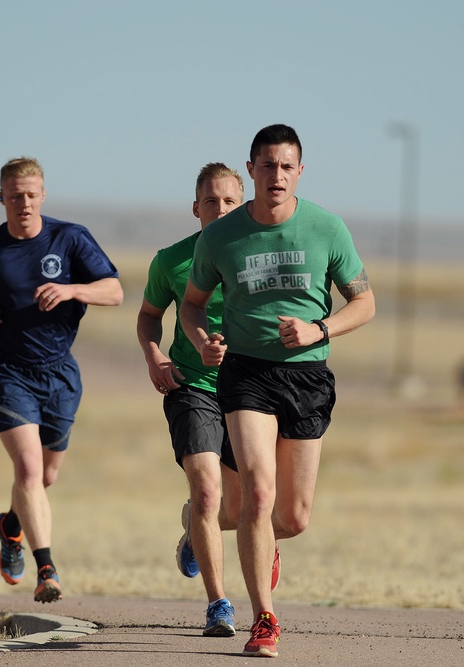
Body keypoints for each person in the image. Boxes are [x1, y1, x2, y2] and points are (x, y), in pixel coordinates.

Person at [180, 124, 375, 658]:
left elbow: (365, 303)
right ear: (252, 170)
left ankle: (201, 528)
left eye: (287, 166)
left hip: (308, 377)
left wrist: (320, 329)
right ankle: (264, 618)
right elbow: (192, 303)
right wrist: (203, 342)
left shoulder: (327, 229)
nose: (277, 175)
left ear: (300, 171)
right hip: (247, 375)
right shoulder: (220, 237)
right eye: (267, 165)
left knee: (291, 517)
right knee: (259, 496)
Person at [0, 156, 123, 603]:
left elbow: (115, 290)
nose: (23, 203)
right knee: (26, 468)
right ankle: (47, 569)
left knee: (45, 476)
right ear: (1, 198)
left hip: (60, 372)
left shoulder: (70, 238)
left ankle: (10, 525)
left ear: (42, 196)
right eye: (15, 195)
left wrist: (72, 289)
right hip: (6, 371)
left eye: (31, 195)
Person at [138, 162, 280, 637]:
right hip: (190, 386)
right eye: (210, 201)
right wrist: (154, 354)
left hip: (249, 389)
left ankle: (193, 532)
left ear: (242, 204)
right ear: (195, 207)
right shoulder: (171, 260)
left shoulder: (259, 257)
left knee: (240, 507)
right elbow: (148, 316)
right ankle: (219, 604)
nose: (219, 209)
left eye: (229, 201)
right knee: (206, 490)